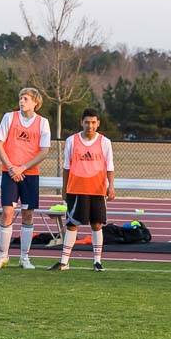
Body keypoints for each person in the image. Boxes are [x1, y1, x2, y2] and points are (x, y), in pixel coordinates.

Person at [0, 87, 52, 270]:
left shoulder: (43, 123)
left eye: (25, 98)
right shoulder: (9, 117)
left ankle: (24, 258)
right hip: (9, 173)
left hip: (29, 174)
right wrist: (11, 167)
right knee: (7, 212)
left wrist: (23, 167)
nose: (21, 101)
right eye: (20, 98)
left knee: (28, 214)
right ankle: (2, 256)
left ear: (35, 102)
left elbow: (44, 151)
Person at [49, 109, 115, 271]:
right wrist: (64, 189)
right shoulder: (72, 140)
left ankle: (97, 261)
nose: (90, 126)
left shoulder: (105, 142)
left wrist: (111, 186)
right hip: (76, 189)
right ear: (81, 122)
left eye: (93, 122)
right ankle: (64, 261)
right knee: (72, 224)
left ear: (98, 123)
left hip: (98, 189)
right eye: (87, 122)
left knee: (97, 225)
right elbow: (66, 166)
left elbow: (110, 166)